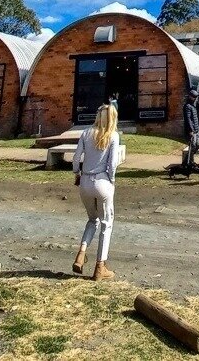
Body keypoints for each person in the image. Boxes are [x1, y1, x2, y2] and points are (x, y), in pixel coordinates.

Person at [71, 104, 121, 281]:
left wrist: (77, 173)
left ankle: (81, 253)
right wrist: (112, 181)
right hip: (103, 181)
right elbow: (112, 164)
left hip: (85, 180)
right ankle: (100, 266)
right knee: (106, 224)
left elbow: (76, 158)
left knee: (92, 220)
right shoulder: (113, 136)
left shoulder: (85, 132)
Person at [183, 90, 199, 171]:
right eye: (194, 96)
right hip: (192, 130)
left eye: (196, 96)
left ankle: (187, 160)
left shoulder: (193, 106)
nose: (195, 98)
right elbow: (188, 119)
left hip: (197, 130)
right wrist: (190, 130)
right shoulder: (187, 106)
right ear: (190, 96)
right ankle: (190, 163)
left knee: (197, 145)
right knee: (192, 146)